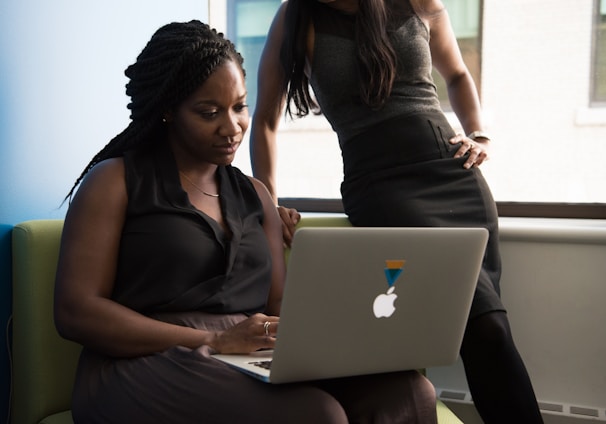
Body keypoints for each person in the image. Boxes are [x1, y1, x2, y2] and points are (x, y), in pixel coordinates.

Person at [54, 20, 437, 424]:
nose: (232, 127)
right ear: (168, 110)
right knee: (317, 415)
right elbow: (76, 311)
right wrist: (214, 339)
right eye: (209, 113)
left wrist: (341, 334)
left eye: (239, 106)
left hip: (248, 352)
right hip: (143, 362)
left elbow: (280, 305)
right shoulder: (115, 181)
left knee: (408, 392)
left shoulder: (255, 195)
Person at [250, 1, 544, 423]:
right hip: (380, 188)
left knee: (490, 329)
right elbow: (264, 120)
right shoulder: (297, 15)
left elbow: (458, 75)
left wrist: (480, 135)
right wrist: (271, 204)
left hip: (452, 174)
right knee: (477, 329)